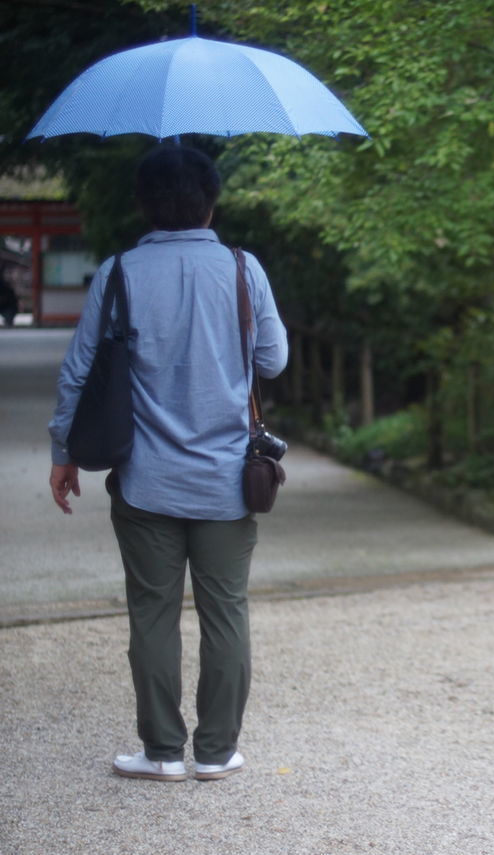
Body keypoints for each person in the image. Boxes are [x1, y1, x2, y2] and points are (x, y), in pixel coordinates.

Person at [47, 145, 288, 782]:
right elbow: (274, 360)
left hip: (145, 480)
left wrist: (63, 452)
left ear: (143, 204)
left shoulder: (118, 273)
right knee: (226, 613)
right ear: (212, 200)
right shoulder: (243, 269)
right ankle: (214, 753)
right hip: (227, 483)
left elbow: (79, 373)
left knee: (152, 615)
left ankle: (160, 753)